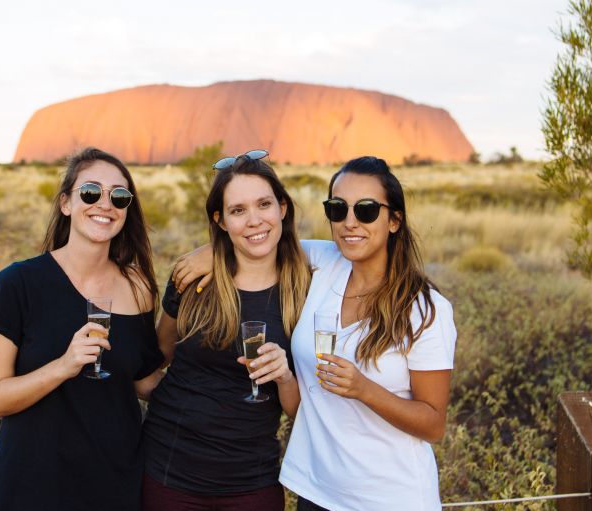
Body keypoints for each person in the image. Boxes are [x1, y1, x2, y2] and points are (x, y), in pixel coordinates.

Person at [174, 156, 456, 511]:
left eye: (367, 210)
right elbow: (260, 239)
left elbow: (433, 424)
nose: (350, 222)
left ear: (394, 220)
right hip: (316, 491)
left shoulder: (425, 309)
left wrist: (364, 389)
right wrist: (214, 250)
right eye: (337, 209)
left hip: (389, 497)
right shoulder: (325, 264)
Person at [0, 147, 164, 511]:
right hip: (32, 485)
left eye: (119, 196)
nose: (105, 204)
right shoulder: (19, 283)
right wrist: (64, 366)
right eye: (91, 192)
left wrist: (214, 380)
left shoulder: (138, 287)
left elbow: (143, 381)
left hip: (113, 483)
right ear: (66, 203)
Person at [141, 150, 311, 511]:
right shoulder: (192, 279)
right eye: (238, 211)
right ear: (220, 220)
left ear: (282, 207)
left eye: (264, 204)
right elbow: (158, 355)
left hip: (252, 480)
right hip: (169, 471)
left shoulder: (307, 290)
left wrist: (283, 377)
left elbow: (303, 410)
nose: (254, 221)